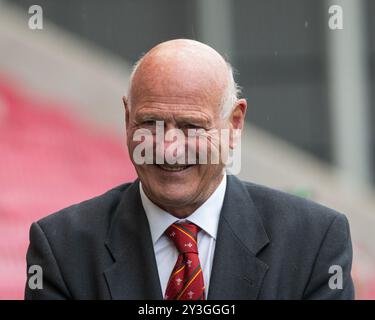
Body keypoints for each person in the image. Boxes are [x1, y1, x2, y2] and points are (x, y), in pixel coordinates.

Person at [25, 39, 354, 300]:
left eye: (191, 126)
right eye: (150, 123)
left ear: (234, 124)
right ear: (128, 119)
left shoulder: (313, 243)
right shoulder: (62, 249)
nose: (169, 148)